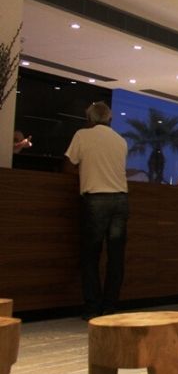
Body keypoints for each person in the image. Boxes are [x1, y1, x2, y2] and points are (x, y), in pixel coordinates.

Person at [64, 102, 129, 320]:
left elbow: (68, 165)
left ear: (89, 119)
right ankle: (110, 306)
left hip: (95, 200)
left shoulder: (82, 135)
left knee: (91, 256)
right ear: (110, 119)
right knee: (116, 256)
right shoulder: (120, 141)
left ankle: (92, 307)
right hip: (120, 199)